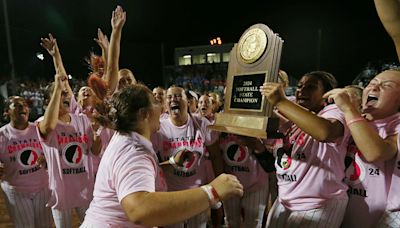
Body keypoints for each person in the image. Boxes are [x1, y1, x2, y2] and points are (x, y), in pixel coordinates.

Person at [81, 83, 243, 227]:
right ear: (144, 114)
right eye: (155, 102)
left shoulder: (127, 138)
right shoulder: (134, 151)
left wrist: (171, 162)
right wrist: (212, 191)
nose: (160, 107)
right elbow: (139, 210)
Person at [260, 71, 351, 227]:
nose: (302, 91)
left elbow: (325, 132)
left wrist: (281, 101)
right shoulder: (295, 115)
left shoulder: (334, 112)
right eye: (300, 86)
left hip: (319, 204)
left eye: (311, 87)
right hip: (285, 200)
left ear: (326, 94)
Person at [151, 86, 225, 228]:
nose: (174, 99)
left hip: (198, 193)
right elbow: (151, 166)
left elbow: (215, 156)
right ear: (166, 105)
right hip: (171, 195)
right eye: (170, 97)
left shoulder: (201, 123)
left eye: (179, 96)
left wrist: (218, 184)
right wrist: (173, 162)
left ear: (189, 102)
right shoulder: (159, 128)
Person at [37, 73, 101, 228]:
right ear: (49, 101)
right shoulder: (42, 122)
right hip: (60, 190)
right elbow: (49, 126)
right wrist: (57, 87)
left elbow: (94, 151)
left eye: (65, 93)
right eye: (60, 93)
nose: (65, 95)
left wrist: (97, 135)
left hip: (84, 187)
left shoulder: (82, 119)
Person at [0, 96, 53, 228]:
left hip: (43, 187)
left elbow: (54, 149)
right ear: (7, 112)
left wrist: (47, 157)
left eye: (24, 104)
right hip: (16, 191)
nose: (22, 107)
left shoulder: (38, 129)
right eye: (16, 105)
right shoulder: (2, 135)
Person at [219, 134, 269, 228]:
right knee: (231, 222)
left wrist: (255, 142)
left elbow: (269, 157)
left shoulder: (260, 122)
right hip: (230, 182)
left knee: (253, 223)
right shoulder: (221, 126)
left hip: (256, 182)